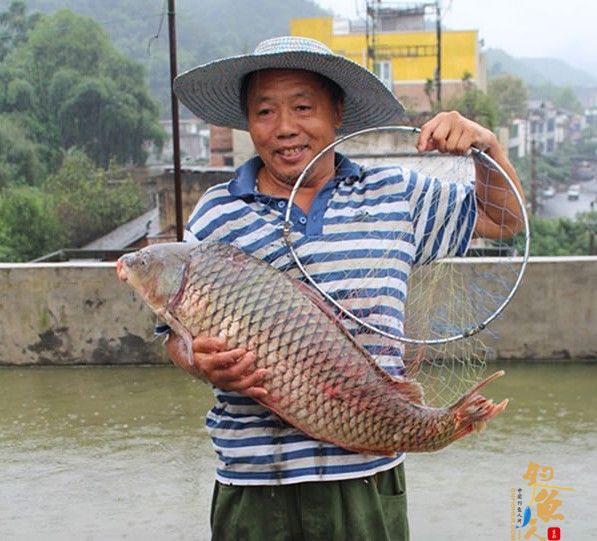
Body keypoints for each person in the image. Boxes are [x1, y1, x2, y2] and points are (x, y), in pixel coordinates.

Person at [164, 36, 524, 540]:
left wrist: (486, 149)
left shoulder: (396, 193)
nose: (285, 127)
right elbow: (173, 333)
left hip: (366, 478)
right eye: (264, 111)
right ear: (247, 122)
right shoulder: (215, 215)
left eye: (303, 107)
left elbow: (501, 219)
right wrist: (198, 361)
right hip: (253, 486)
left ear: (338, 111)